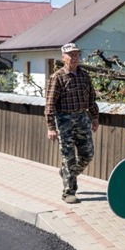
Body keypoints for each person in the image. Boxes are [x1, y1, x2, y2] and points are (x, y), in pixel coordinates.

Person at [44, 43, 100, 204]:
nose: (74, 58)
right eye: (70, 55)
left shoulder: (84, 75)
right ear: (63, 58)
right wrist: (51, 127)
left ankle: (67, 173)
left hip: (82, 118)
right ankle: (69, 192)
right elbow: (49, 104)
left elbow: (91, 98)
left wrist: (95, 117)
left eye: (76, 54)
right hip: (64, 120)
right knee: (68, 157)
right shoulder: (57, 77)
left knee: (87, 155)